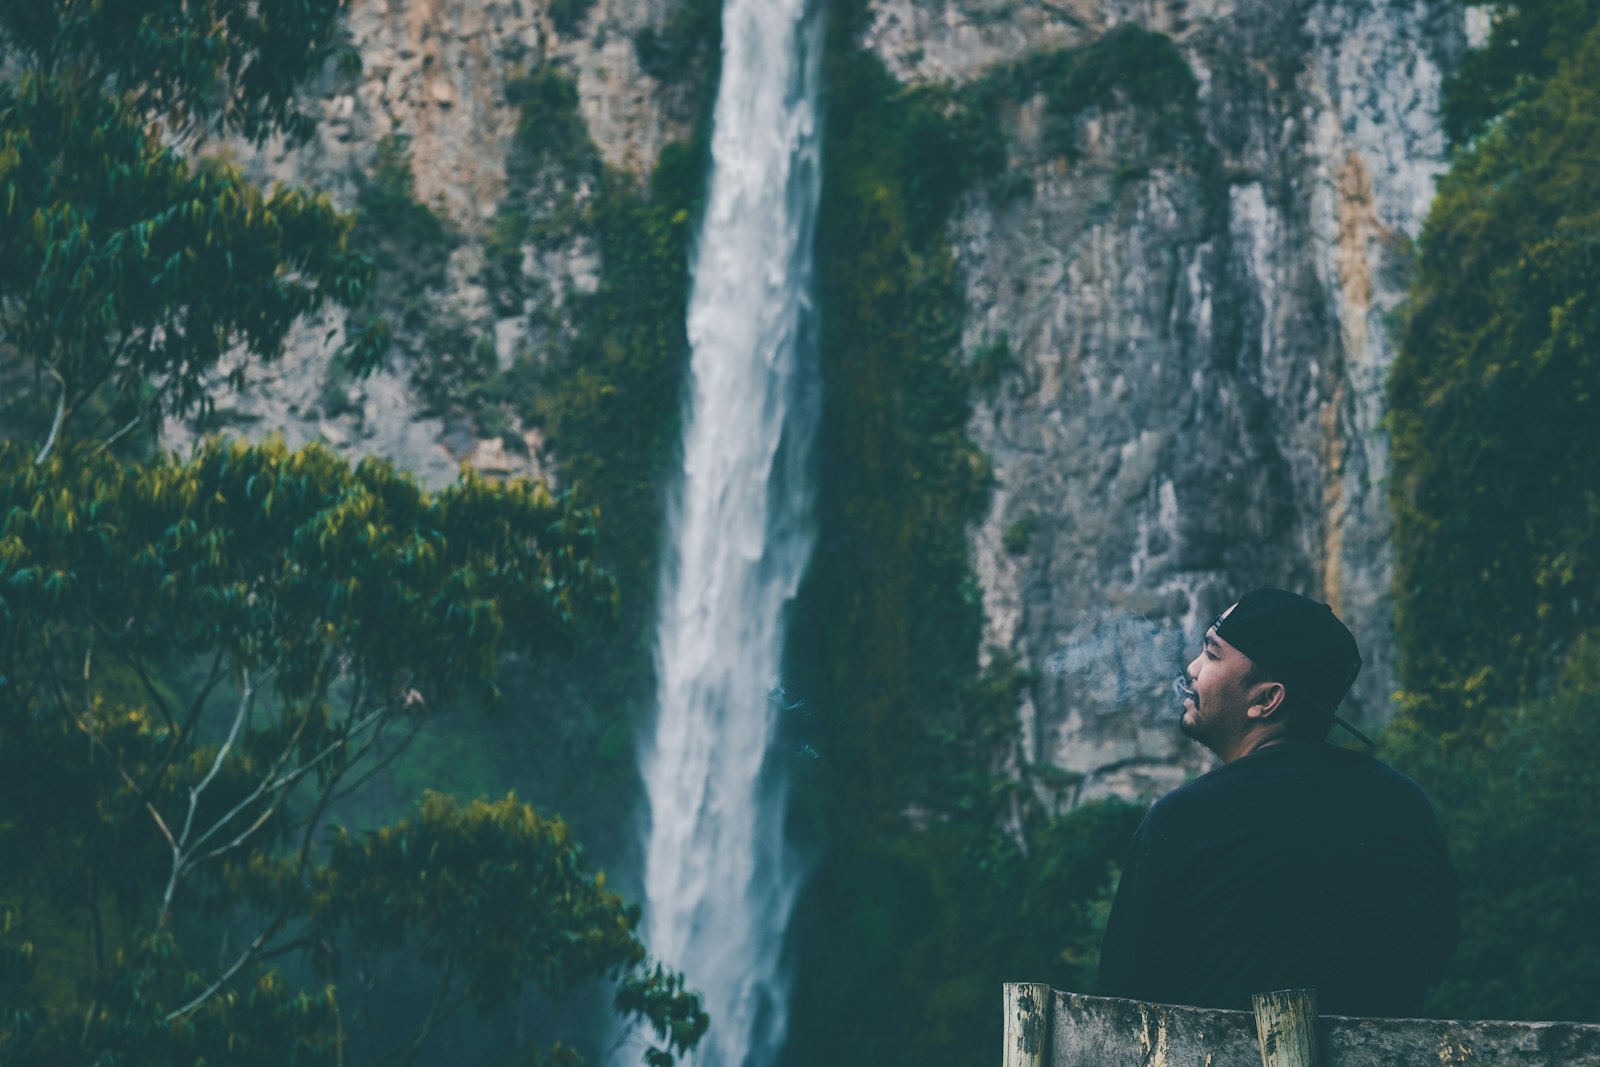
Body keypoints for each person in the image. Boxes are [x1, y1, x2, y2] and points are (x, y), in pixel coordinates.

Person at [1096, 589, 1458, 1016]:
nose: (1191, 668)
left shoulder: (1184, 820)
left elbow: (1121, 1000)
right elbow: (1437, 958)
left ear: (1267, 699)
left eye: (1212, 655)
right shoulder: (1404, 804)